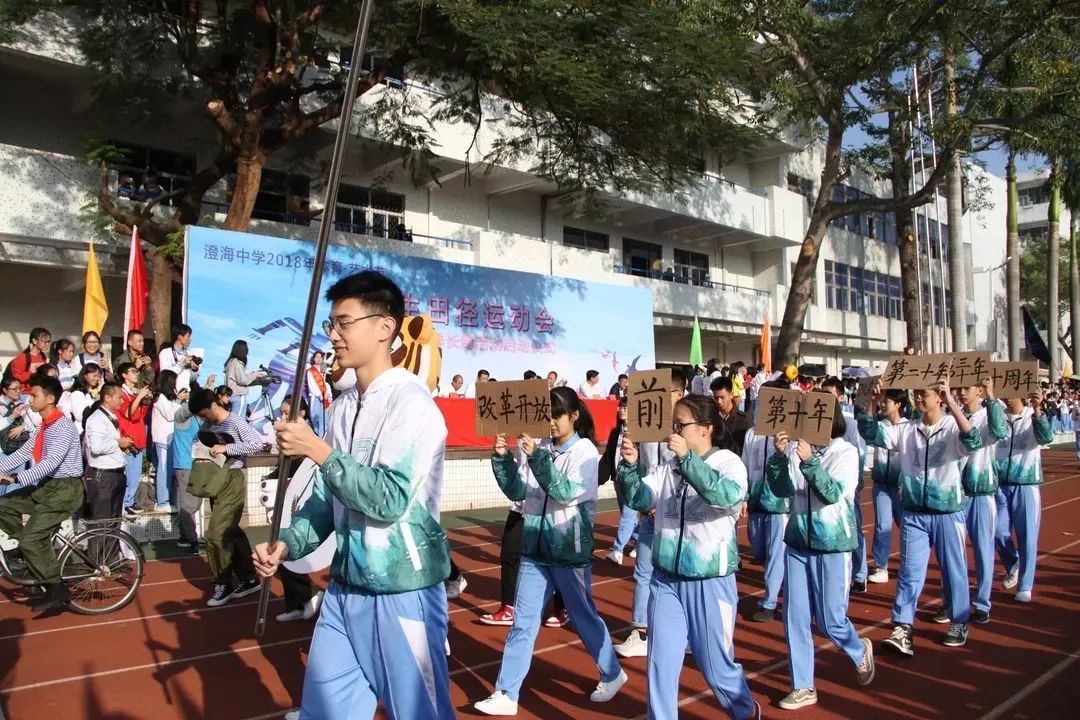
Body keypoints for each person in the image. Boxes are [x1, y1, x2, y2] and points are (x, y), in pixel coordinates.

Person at [253, 270, 455, 720]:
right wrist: (288, 542)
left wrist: (319, 452)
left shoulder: (412, 404)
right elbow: (327, 501)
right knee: (323, 712)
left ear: (385, 327)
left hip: (403, 591)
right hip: (345, 590)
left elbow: (389, 498)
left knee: (421, 713)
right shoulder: (344, 408)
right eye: (331, 324)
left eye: (344, 322)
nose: (335, 335)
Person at [474, 387, 626, 715]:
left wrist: (537, 458)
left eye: (557, 415)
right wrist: (503, 460)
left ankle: (612, 672)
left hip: (569, 552)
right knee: (523, 623)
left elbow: (565, 492)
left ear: (574, 416)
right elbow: (519, 491)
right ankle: (506, 692)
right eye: (547, 416)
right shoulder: (539, 446)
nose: (552, 423)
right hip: (535, 548)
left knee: (584, 618)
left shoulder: (585, 453)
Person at [617, 394, 760, 720]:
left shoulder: (728, 463)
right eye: (673, 426)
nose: (674, 432)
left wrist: (688, 462)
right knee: (660, 666)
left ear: (706, 427)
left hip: (709, 582)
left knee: (714, 667)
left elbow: (726, 497)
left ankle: (744, 709)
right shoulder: (667, 466)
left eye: (681, 426)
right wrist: (628, 467)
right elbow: (641, 497)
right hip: (666, 580)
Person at [859, 378, 982, 655]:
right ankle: (903, 627)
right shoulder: (907, 430)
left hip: (947, 512)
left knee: (954, 570)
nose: (918, 399)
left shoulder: (951, 427)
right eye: (916, 394)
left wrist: (952, 402)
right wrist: (872, 403)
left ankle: (959, 620)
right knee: (909, 573)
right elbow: (869, 432)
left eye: (924, 394)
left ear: (939, 397)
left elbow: (972, 441)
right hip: (914, 512)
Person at [766, 412, 876, 711]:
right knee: (795, 618)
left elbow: (831, 493)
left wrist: (808, 462)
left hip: (833, 545)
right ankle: (802, 685)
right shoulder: (797, 450)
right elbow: (780, 490)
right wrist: (778, 458)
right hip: (799, 543)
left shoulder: (846, 453)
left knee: (830, 621)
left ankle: (858, 648)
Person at [0, 376, 85, 612]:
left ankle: (56, 586)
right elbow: (25, 452)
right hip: (48, 486)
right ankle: (29, 549)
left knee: (30, 539)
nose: (30, 399)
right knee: (3, 505)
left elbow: (51, 462)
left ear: (50, 399)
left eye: (34, 395)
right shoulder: (43, 425)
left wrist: (17, 478)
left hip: (65, 489)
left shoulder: (63, 426)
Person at [189, 388, 263, 606]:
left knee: (216, 534)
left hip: (232, 478)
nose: (202, 419)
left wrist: (227, 447)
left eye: (203, 414)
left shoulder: (237, 422)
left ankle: (224, 582)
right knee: (232, 530)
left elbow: (257, 444)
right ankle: (249, 578)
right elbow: (198, 440)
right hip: (215, 479)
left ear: (213, 406)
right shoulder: (208, 425)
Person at [948, 378, 1006, 624]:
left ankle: (982, 603)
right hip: (957, 496)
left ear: (979, 391)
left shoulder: (989, 414)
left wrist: (992, 398)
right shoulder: (952, 416)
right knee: (953, 554)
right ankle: (951, 602)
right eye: (958, 389)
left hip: (981, 494)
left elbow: (1000, 431)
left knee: (983, 551)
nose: (961, 393)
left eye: (966, 389)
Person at [994, 386, 1054, 603]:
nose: (1006, 394)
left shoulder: (1032, 416)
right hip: (999, 484)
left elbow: (1046, 438)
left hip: (1026, 483)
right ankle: (1014, 564)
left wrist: (1038, 410)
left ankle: (1025, 584)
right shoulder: (996, 417)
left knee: (1027, 535)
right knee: (997, 530)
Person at [742, 379, 794, 623]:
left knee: (775, 553)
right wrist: (743, 496)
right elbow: (744, 465)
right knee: (760, 551)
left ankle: (770, 601)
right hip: (755, 501)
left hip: (779, 504)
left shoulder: (790, 434)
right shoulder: (752, 433)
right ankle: (784, 583)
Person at [819, 377, 869, 593]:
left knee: (852, 526)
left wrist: (855, 481)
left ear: (840, 398)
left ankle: (859, 573)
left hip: (845, 483)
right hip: (821, 482)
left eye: (829, 396)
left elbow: (859, 452)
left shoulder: (850, 424)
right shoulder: (817, 421)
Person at [866, 389, 910, 584]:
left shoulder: (909, 427)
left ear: (899, 404)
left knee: (906, 526)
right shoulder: (879, 426)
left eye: (888, 401)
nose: (883, 405)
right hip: (881, 485)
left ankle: (909, 564)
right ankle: (881, 566)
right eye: (883, 401)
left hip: (901, 487)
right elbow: (866, 428)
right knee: (882, 525)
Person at [83, 382, 131, 530]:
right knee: (101, 525)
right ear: (107, 398)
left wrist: (121, 447)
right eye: (119, 397)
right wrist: (118, 443)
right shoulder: (97, 419)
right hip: (103, 477)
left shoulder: (110, 417)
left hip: (114, 473)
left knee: (113, 525)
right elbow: (96, 447)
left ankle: (111, 554)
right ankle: (98, 554)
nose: (122, 401)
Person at [115, 362, 151, 518]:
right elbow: (129, 414)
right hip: (128, 439)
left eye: (137, 371)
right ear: (124, 375)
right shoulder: (121, 394)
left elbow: (139, 415)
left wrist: (145, 399)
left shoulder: (134, 393)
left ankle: (129, 502)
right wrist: (140, 397)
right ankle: (125, 504)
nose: (137, 374)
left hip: (138, 437)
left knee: (135, 475)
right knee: (129, 475)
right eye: (133, 371)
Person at [171, 398, 203, 554]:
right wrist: (196, 400)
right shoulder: (182, 419)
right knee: (188, 505)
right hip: (184, 465)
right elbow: (182, 412)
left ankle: (185, 536)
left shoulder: (201, 421)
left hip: (197, 465)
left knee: (193, 503)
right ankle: (193, 540)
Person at [151, 370, 185, 512]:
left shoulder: (169, 399)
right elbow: (171, 415)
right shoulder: (160, 398)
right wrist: (178, 400)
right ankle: (162, 502)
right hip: (162, 439)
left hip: (170, 439)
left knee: (169, 470)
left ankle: (167, 500)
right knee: (163, 470)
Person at [224, 339, 266, 419]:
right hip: (238, 395)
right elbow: (242, 380)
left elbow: (240, 379)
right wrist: (255, 374)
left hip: (232, 395)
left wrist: (254, 376)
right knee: (238, 420)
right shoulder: (236, 363)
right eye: (246, 348)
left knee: (232, 420)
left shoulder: (231, 362)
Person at [711, 376, 751, 456]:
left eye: (722, 397)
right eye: (716, 398)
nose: (719, 401)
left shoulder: (744, 420)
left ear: (731, 395)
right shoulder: (711, 418)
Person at [59, 363, 103, 435]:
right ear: (85, 376)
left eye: (99, 376)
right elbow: (79, 416)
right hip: (81, 432)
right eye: (94, 375)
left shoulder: (94, 392)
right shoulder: (77, 394)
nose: (97, 378)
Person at [4, 327, 51, 393]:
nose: (47, 344)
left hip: (38, 391)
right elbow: (16, 379)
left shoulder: (43, 356)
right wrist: (31, 372)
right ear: (34, 341)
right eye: (45, 341)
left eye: (49, 341)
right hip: (24, 393)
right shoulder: (22, 357)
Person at [305, 351, 331, 436]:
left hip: (325, 396)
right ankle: (318, 435)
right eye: (317, 357)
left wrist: (326, 392)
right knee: (314, 417)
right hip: (316, 397)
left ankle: (323, 436)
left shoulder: (323, 369)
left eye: (321, 357)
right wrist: (319, 394)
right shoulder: (310, 371)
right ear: (313, 358)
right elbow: (311, 384)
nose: (319, 359)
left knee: (324, 418)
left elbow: (325, 382)